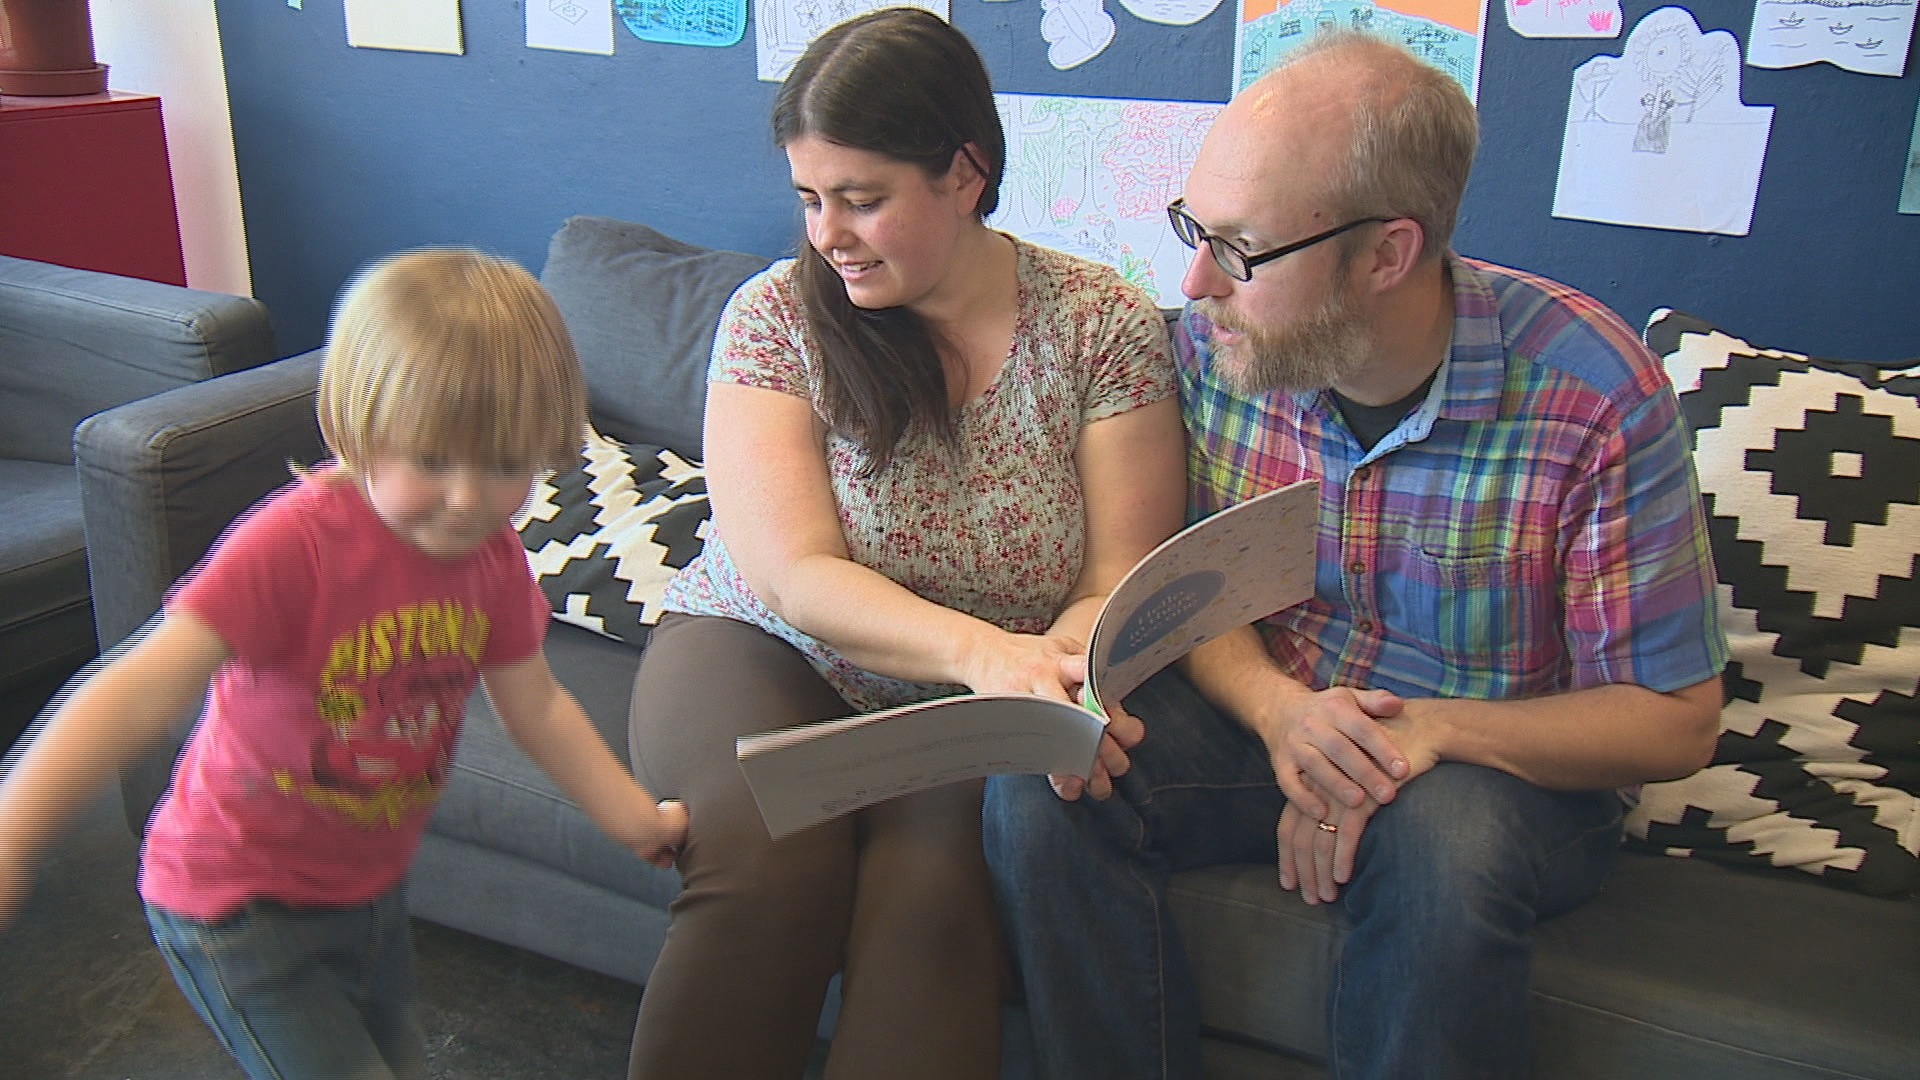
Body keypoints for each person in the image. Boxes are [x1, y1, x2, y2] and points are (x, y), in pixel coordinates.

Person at [983, 30, 1730, 1080]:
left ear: (1387, 253)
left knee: (1444, 845)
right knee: (1049, 771)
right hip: (1270, 720)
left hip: (1488, 760)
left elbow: (1674, 719)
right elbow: (1181, 583)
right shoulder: (1213, 351)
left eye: (1240, 248)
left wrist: (1410, 738)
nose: (1194, 280)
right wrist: (1283, 715)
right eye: (1193, 226)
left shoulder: (1592, 395)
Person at [622, 8, 1186, 1079]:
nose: (827, 233)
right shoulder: (775, 319)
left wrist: (1048, 674)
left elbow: (1120, 574)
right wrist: (982, 651)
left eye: (863, 200)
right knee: (761, 867)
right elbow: (795, 573)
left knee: (933, 906)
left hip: (983, 699)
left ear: (966, 173)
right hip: (770, 647)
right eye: (809, 199)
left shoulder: (1102, 325)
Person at [0, 249, 688, 1080]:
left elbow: (536, 706)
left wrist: (632, 817)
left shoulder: (493, 559)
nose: (469, 498)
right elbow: (138, 687)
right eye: (432, 460)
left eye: (505, 463)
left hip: (365, 889)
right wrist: (16, 829)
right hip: (236, 903)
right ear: (354, 431)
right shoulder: (295, 545)